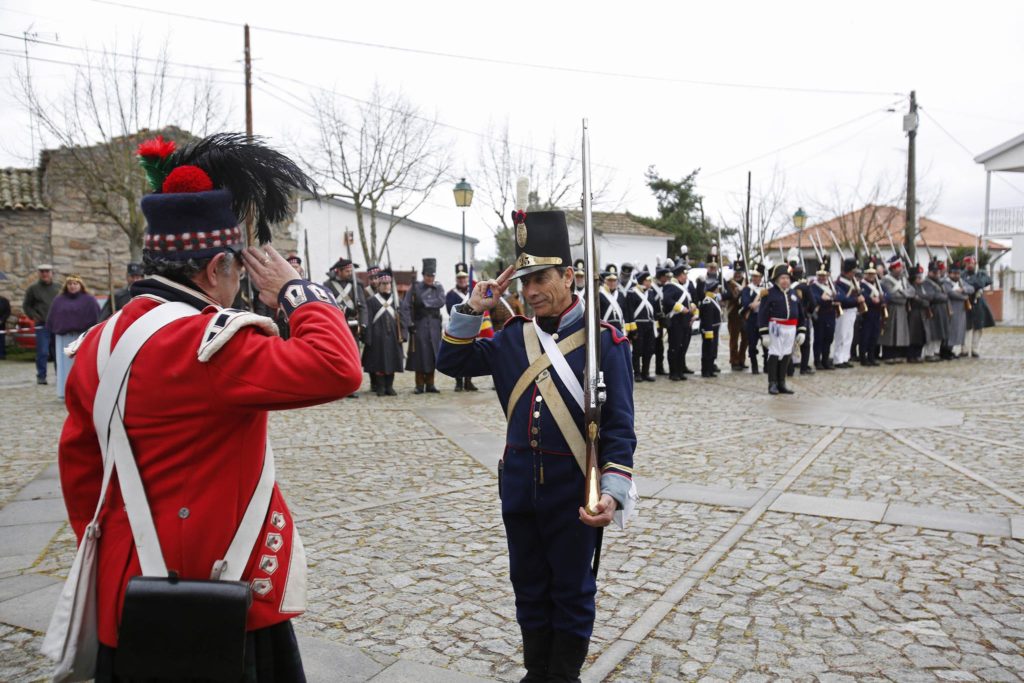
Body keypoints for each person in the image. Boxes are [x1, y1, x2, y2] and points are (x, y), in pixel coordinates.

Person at [58, 132, 361, 679]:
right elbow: (338, 368)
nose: (240, 281)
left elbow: (82, 478)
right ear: (216, 266)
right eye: (237, 270)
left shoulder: (96, 343)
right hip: (214, 591)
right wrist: (298, 291)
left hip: (128, 585)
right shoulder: (210, 344)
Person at [435, 208, 636, 683]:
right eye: (524, 282)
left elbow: (619, 428)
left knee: (571, 587)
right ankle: (536, 671)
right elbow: (450, 361)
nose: (529, 292)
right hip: (521, 486)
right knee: (527, 583)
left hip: (573, 487)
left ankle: (563, 675)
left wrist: (612, 489)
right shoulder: (511, 339)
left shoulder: (603, 342)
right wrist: (473, 307)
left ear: (569, 275)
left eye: (541, 278)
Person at [46, 275, 101, 400]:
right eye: (70, 284)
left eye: (75, 283)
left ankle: (81, 393)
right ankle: (64, 392)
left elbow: (96, 318)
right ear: (66, 286)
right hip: (64, 337)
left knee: (80, 365)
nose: (72, 286)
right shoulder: (59, 300)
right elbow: (53, 318)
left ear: (81, 285)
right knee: (64, 365)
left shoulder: (89, 300)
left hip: (81, 338)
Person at [758, 264, 806, 395]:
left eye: (787, 278)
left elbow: (802, 314)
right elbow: (762, 314)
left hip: (791, 328)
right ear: (777, 280)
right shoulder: (769, 294)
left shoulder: (795, 294)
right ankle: (772, 383)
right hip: (776, 328)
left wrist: (802, 331)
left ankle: (781, 382)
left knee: (786, 354)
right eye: (782, 278)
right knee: (774, 354)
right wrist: (764, 334)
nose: (785, 280)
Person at [402, 257, 446, 394]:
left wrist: (425, 303)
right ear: (423, 275)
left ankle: (431, 383)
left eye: (432, 276)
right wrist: (409, 323)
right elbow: (405, 306)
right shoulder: (415, 288)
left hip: (434, 324)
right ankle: (419, 384)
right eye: (427, 275)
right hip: (419, 324)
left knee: (433, 353)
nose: (430, 278)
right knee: (420, 354)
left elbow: (441, 301)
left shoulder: (438, 287)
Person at [363, 269, 406, 396]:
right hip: (377, 336)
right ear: (379, 285)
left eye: (388, 284)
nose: (386, 286)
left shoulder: (397, 301)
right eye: (383, 284)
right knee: (379, 362)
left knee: (392, 361)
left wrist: (403, 334)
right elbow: (368, 319)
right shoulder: (372, 301)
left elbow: (403, 318)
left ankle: (390, 386)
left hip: (393, 335)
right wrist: (368, 337)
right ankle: (380, 387)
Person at [23, 264, 60, 385]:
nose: (45, 274)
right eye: (42, 271)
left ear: (51, 273)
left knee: (58, 352)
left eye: (47, 271)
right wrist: (33, 316)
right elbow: (27, 305)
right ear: (39, 273)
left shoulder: (58, 287)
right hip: (42, 324)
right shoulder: (33, 289)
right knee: (43, 351)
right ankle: (41, 375)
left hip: (57, 324)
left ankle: (60, 375)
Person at [445, 262, 478, 391]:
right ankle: (458, 382)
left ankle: (468, 382)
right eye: (459, 278)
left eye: (464, 278)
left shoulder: (473, 292)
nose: (462, 280)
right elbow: (449, 310)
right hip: (457, 328)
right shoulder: (450, 294)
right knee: (457, 355)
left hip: (471, 327)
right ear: (456, 279)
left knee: (471, 355)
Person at [662, 262, 697, 381]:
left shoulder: (683, 287)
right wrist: (681, 308)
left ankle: (680, 370)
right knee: (675, 347)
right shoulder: (670, 286)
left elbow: (689, 300)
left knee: (683, 347)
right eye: (684, 275)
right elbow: (667, 300)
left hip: (685, 321)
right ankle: (673, 372)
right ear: (678, 275)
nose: (685, 277)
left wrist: (692, 306)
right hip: (676, 321)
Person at [626, 269, 657, 382]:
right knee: (637, 350)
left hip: (649, 325)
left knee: (649, 350)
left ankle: (646, 372)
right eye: (647, 281)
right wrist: (632, 330)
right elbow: (629, 311)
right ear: (642, 281)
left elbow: (655, 310)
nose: (650, 283)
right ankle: (637, 373)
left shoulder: (651, 292)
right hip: (638, 325)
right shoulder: (632, 293)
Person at [879, 256, 912, 363]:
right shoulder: (885, 280)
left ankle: (899, 354)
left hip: (903, 309)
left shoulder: (903, 280)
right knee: (890, 332)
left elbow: (912, 291)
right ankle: (888, 355)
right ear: (893, 269)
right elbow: (892, 296)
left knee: (901, 333)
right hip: (892, 309)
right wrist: (905, 295)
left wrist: (904, 294)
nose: (901, 270)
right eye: (898, 268)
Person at [831, 258, 863, 368]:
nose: (854, 274)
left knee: (849, 336)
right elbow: (840, 298)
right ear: (848, 271)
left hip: (852, 311)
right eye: (852, 272)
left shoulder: (852, 282)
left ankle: (845, 357)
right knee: (842, 336)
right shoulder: (839, 283)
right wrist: (856, 300)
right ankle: (838, 359)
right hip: (843, 311)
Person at [963, 256, 995, 358]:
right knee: (966, 327)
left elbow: (987, 281)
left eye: (971, 263)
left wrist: (977, 282)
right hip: (966, 301)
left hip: (978, 302)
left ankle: (975, 349)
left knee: (978, 327)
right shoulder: (963, 274)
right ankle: (964, 349)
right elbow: (965, 284)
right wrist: (974, 284)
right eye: (967, 264)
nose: (969, 265)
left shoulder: (981, 273)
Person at [810, 258, 837, 371]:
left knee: (829, 338)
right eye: (820, 275)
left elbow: (836, 297)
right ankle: (817, 361)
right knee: (819, 338)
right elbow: (815, 299)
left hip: (830, 314)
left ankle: (825, 360)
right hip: (820, 315)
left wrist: (830, 299)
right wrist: (823, 299)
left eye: (824, 275)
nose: (822, 277)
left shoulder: (831, 286)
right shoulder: (813, 286)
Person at [789, 262, 815, 376]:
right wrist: (807, 312)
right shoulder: (805, 286)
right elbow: (813, 303)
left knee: (789, 343)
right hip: (803, 318)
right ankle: (804, 368)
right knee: (806, 344)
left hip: (791, 317)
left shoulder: (788, 286)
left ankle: (789, 368)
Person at [858, 261, 886, 366]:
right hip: (867, 312)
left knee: (874, 335)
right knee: (865, 336)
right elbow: (862, 295)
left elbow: (886, 294)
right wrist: (871, 300)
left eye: (873, 274)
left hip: (877, 312)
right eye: (869, 274)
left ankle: (871, 356)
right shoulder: (862, 284)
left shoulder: (878, 284)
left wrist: (883, 299)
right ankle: (863, 358)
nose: (871, 276)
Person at [740, 264, 766, 374]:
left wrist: (759, 302)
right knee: (752, 344)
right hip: (752, 319)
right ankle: (754, 366)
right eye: (753, 276)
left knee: (766, 343)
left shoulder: (765, 289)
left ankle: (767, 365)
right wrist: (753, 304)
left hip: (763, 319)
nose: (754, 278)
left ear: (761, 277)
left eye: (757, 276)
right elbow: (745, 303)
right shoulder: (747, 289)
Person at [922, 261, 950, 362]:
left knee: (940, 333)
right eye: (934, 272)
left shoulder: (940, 283)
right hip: (932, 310)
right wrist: (943, 297)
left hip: (941, 310)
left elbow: (946, 293)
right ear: (929, 272)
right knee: (933, 333)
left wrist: (943, 296)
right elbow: (932, 296)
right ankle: (929, 353)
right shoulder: (926, 283)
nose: (936, 274)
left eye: (937, 272)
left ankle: (936, 352)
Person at [723, 260, 747, 371]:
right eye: (736, 272)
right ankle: (734, 360)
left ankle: (742, 359)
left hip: (745, 314)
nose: (738, 274)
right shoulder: (728, 283)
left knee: (746, 339)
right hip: (734, 314)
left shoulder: (747, 283)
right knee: (734, 339)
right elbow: (729, 296)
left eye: (740, 272)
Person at [945, 262, 972, 358]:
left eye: (958, 274)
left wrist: (963, 289)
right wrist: (964, 297)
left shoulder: (960, 282)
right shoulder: (945, 282)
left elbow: (971, 288)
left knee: (958, 331)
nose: (956, 275)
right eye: (954, 273)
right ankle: (945, 351)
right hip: (950, 309)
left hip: (961, 311)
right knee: (950, 331)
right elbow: (951, 293)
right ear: (949, 273)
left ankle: (951, 350)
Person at [698, 278, 722, 378]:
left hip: (714, 329)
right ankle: (705, 370)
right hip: (709, 329)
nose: (718, 290)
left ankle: (710, 368)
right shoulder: (707, 301)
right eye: (717, 288)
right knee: (707, 350)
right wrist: (709, 331)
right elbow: (707, 318)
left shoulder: (713, 299)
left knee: (712, 349)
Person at [907, 265, 931, 363]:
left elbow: (927, 297)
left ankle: (918, 354)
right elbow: (915, 299)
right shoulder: (911, 287)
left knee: (922, 335)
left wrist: (923, 300)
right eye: (918, 277)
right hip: (914, 313)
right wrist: (922, 300)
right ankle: (911, 355)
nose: (920, 279)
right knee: (914, 336)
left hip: (922, 313)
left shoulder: (922, 287)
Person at [652, 264, 671, 376]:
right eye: (665, 276)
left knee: (660, 345)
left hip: (662, 319)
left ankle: (660, 367)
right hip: (654, 320)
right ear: (660, 276)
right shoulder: (652, 288)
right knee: (651, 345)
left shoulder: (665, 287)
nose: (667, 279)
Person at [598, 266, 628, 333]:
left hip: (619, 329)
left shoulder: (620, 295)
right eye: (610, 280)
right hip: (605, 329)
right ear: (605, 281)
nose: (612, 283)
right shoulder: (599, 294)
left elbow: (625, 313)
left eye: (614, 280)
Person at [0, 293, 10, 360]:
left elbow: (7, 312)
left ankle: (2, 354)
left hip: (1, 324)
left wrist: (2, 320)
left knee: (1, 339)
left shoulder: (4, 301)